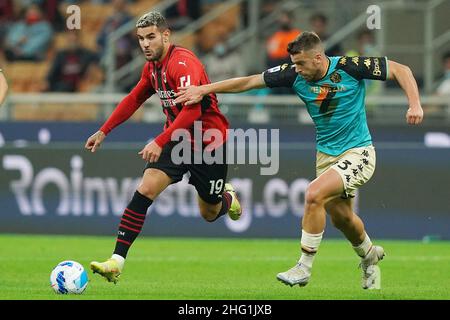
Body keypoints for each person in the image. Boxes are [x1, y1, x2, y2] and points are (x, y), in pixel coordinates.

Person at [174, 31, 424, 289]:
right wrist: (205, 89)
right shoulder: (292, 73)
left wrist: (414, 104)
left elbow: (400, 69)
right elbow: (248, 82)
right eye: (294, 63)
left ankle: (303, 267)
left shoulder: (351, 67)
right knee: (342, 219)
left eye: (301, 63)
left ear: (318, 58)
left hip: (358, 152)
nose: (297, 69)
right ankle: (370, 256)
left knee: (313, 193)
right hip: (326, 156)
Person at [85, 11, 242, 284]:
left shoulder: (183, 63)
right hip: (177, 140)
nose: (145, 44)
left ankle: (227, 198)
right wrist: (104, 130)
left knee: (209, 213)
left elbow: (192, 112)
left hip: (209, 143)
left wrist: (159, 140)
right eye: (140, 39)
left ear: (165, 35)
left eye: (151, 37)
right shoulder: (152, 68)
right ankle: (116, 261)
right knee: (145, 188)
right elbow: (134, 98)